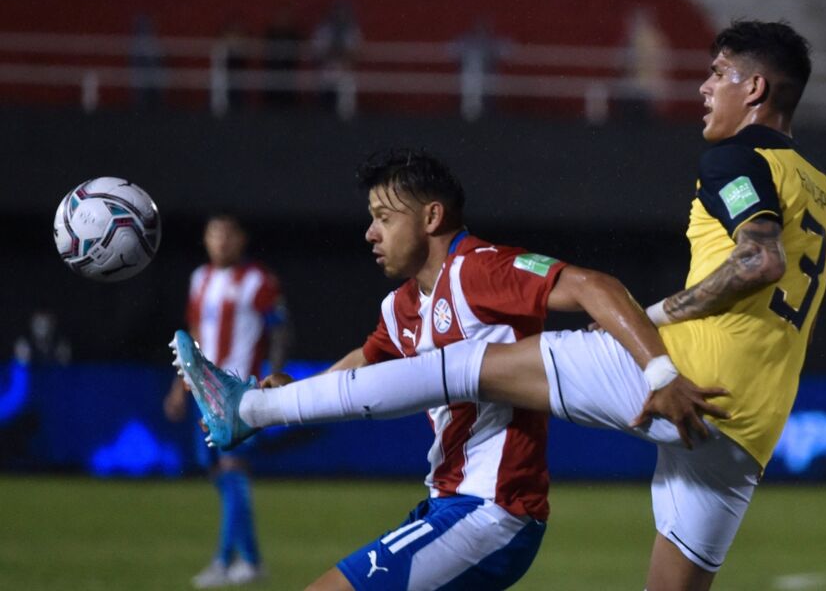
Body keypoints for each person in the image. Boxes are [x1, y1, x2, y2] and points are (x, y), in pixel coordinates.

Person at [176, 20, 826, 590]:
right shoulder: (823, 189)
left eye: (718, 74)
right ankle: (264, 407)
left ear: (754, 90)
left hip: (684, 376)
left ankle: (249, 409)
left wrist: (664, 336)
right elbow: (374, 362)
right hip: (751, 419)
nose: (703, 88)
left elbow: (759, 259)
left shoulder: (734, 159)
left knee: (471, 363)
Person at [172, 149, 725, 591]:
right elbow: (365, 366)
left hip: (493, 512)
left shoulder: (480, 270)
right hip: (449, 504)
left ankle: (248, 413)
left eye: (384, 218)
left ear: (432, 216)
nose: (370, 233)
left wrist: (659, 374)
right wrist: (298, 388)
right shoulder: (401, 307)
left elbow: (594, 286)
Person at [164, 213, 289, 588]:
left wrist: (275, 374)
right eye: (213, 235)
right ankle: (250, 559)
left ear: (241, 239)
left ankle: (223, 561)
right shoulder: (199, 279)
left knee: (233, 472)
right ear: (205, 240)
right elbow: (194, 335)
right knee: (219, 473)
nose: (220, 242)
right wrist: (178, 384)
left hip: (239, 394)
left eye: (227, 235)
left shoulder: (258, 280)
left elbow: (281, 329)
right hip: (202, 391)